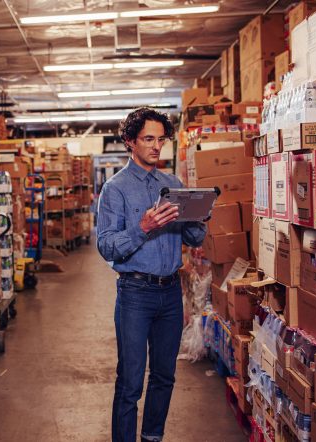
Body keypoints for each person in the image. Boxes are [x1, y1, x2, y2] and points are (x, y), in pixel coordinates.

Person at [96, 107, 207, 442]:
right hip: (135, 293)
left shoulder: (173, 184)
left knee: (164, 375)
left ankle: (153, 437)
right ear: (130, 141)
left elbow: (194, 238)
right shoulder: (115, 189)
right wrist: (142, 227)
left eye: (161, 139)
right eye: (148, 139)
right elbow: (106, 246)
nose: (156, 146)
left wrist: (198, 216)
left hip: (170, 293)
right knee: (130, 380)